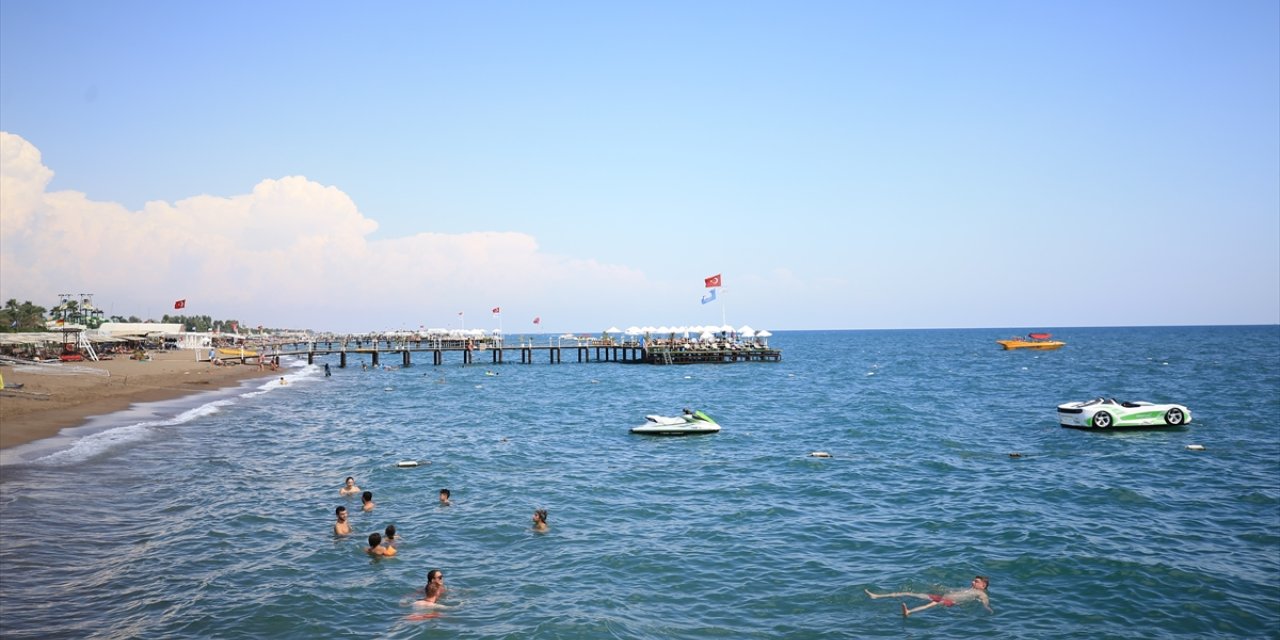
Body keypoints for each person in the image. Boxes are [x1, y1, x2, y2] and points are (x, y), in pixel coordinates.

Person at [865, 576, 992, 617]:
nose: (972, 582)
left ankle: (909, 611)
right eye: (973, 580)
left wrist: (987, 608)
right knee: (910, 593)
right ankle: (877, 596)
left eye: (976, 581)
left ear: (983, 585)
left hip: (949, 602)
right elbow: (954, 591)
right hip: (941, 596)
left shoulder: (981, 593)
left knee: (931, 604)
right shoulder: (968, 589)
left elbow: (985, 602)